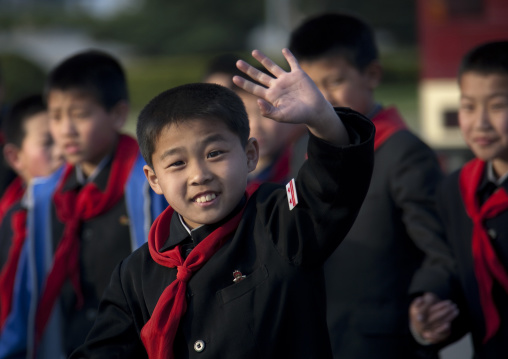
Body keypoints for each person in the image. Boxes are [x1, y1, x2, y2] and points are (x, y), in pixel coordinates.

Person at [69, 48, 375, 359]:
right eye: (176, 163)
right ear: (154, 179)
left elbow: (331, 186)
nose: (199, 175)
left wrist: (322, 117)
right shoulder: (136, 273)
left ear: (250, 154)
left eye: (215, 153)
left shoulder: (280, 224)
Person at [288, 13, 445, 358]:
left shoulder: (403, 152)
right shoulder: (303, 147)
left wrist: (429, 300)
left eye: (335, 81)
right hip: (317, 335)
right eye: (312, 87)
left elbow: (439, 248)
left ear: (372, 74)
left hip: (383, 340)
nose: (322, 98)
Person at [0, 50, 167, 358]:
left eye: (79, 115)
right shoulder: (44, 198)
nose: (65, 130)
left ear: (118, 115)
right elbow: (25, 298)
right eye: (56, 116)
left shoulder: (153, 186)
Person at [409, 40, 508, 359]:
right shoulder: (457, 189)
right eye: (468, 106)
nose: (480, 122)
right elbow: (457, 271)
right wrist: (432, 309)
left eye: (497, 106)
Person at [0, 94, 63, 329]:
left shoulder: (86, 213)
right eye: (48, 143)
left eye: (63, 139)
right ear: (15, 157)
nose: (61, 152)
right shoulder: (13, 220)